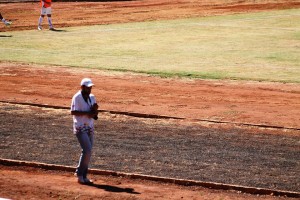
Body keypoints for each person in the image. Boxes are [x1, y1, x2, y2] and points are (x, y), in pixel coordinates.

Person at [71, 78, 99, 184]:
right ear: (82, 87)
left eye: (90, 87)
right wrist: (87, 113)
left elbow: (94, 115)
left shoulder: (92, 97)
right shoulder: (77, 97)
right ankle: (79, 173)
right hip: (80, 127)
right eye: (88, 87)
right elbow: (73, 112)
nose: (90, 89)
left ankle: (84, 176)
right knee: (87, 150)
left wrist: (95, 113)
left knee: (88, 152)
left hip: (90, 127)